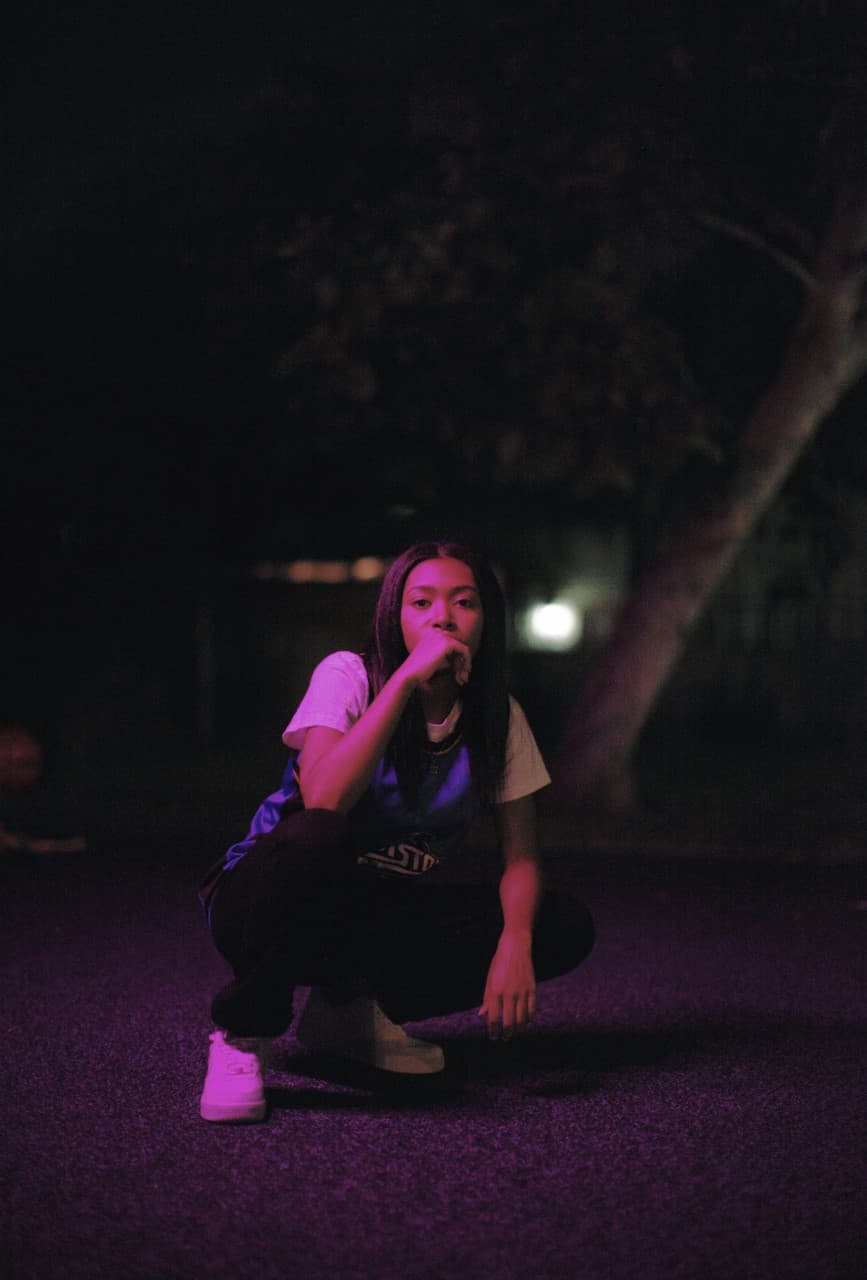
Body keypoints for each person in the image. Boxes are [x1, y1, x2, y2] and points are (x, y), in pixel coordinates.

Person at [198, 540, 595, 1122]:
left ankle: (346, 1011)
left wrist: (515, 943)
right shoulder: (348, 675)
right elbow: (325, 799)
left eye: (465, 602)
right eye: (422, 602)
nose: (443, 617)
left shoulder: (499, 717)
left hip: (365, 917)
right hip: (263, 903)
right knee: (319, 836)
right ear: (395, 616)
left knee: (560, 924)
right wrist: (406, 679)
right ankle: (242, 1035)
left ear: (487, 620)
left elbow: (522, 860)